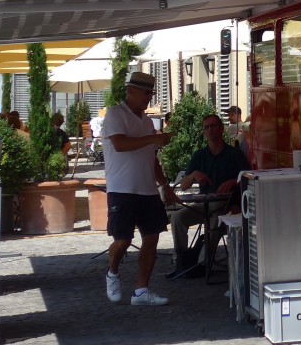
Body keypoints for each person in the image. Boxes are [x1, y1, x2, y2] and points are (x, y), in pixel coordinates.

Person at [102, 72, 174, 306]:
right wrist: (153, 139)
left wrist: (164, 185)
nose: (148, 97)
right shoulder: (115, 114)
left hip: (147, 190)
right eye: (145, 93)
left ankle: (141, 290)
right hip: (122, 188)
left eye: (151, 93)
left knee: (152, 238)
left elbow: (152, 159)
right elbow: (120, 144)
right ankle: (112, 273)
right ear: (131, 91)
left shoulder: (146, 121)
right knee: (122, 240)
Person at [168, 113, 250, 279]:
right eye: (206, 127)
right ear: (203, 132)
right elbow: (184, 185)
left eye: (213, 126)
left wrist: (234, 181)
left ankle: (203, 262)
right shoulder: (199, 155)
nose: (210, 130)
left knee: (215, 216)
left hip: (228, 205)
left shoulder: (234, 154)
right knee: (177, 218)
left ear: (221, 129)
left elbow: (248, 178)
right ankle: (181, 260)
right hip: (203, 204)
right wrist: (193, 175)